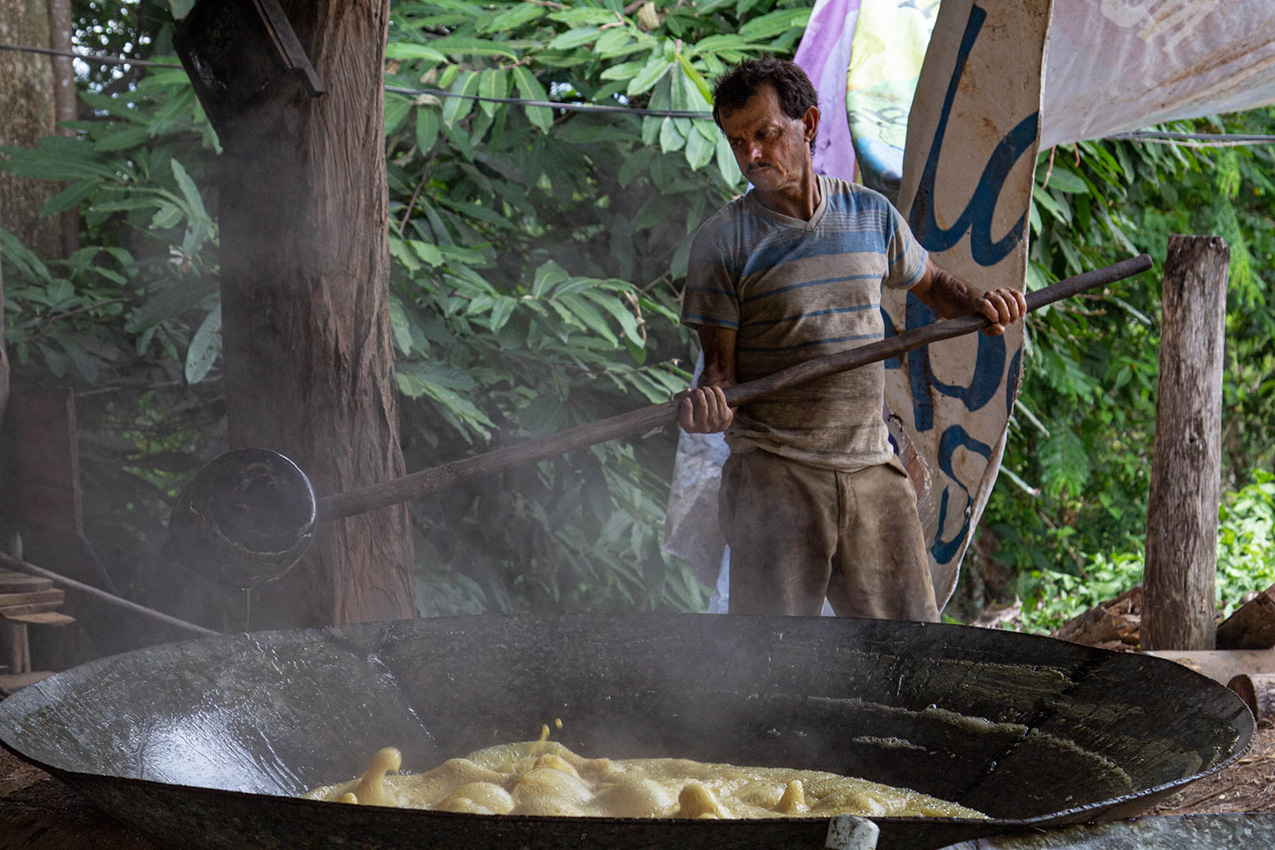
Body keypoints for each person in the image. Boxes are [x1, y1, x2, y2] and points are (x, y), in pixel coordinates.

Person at [678, 57, 1026, 621]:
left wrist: (982, 305)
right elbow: (720, 375)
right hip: (776, 474)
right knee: (772, 663)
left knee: (911, 653)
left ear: (808, 124)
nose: (752, 156)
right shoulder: (722, 242)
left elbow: (932, 282)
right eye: (738, 142)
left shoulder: (870, 215)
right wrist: (710, 408)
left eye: (765, 135)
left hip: (871, 467)